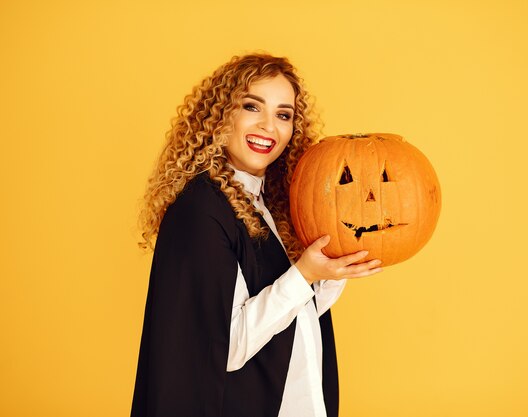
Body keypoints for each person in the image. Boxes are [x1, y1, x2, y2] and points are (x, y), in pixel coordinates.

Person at [130, 53, 382, 417]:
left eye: (284, 114)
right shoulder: (199, 212)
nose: (269, 126)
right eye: (252, 107)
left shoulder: (271, 204)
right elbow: (223, 347)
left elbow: (292, 314)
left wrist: (332, 272)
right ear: (220, 116)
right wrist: (305, 274)